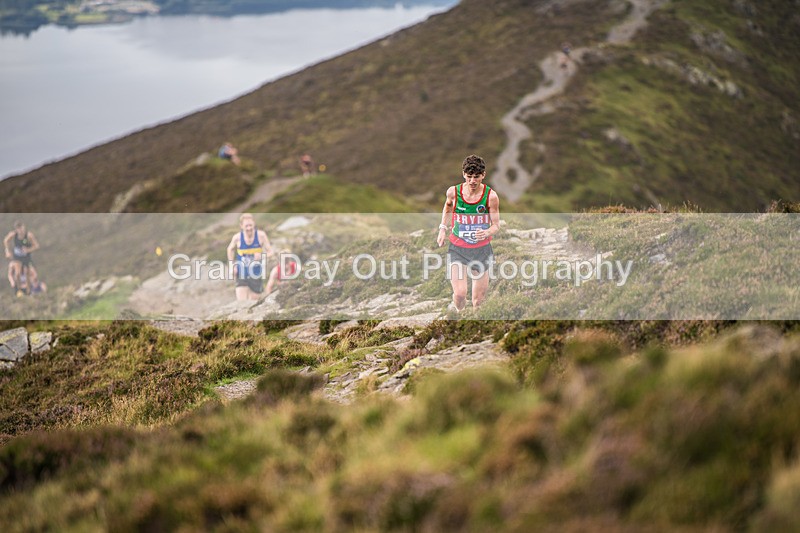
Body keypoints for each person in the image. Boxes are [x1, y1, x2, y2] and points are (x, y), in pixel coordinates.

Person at [436, 154, 501, 315]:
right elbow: (448, 207)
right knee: (459, 295)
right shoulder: (453, 192)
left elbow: (496, 226)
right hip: (458, 248)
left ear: (483, 175)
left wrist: (486, 232)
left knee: (478, 301)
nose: (472, 181)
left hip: (481, 250)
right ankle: (459, 315)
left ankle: (474, 328)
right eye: (469, 176)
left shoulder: (491, 197)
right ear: (464, 174)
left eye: (476, 177)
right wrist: (442, 228)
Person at [226, 213, 274, 301]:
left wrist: (262, 256)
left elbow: (271, 252)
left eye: (250, 225)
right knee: (241, 302)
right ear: (241, 226)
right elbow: (230, 249)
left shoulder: (261, 235)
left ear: (254, 224)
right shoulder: (237, 237)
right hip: (242, 272)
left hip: (256, 273)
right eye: (246, 226)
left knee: (253, 302)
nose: (249, 228)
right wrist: (232, 265)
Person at [4, 221, 40, 297]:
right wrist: (7, 250)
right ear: (16, 229)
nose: (21, 231)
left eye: (22, 228)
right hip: (17, 256)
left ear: (24, 227)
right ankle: (19, 290)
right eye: (19, 229)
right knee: (17, 273)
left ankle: (28, 291)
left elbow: (36, 246)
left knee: (27, 273)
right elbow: (6, 241)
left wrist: (28, 250)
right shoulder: (13, 235)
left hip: (26, 256)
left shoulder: (29, 235)